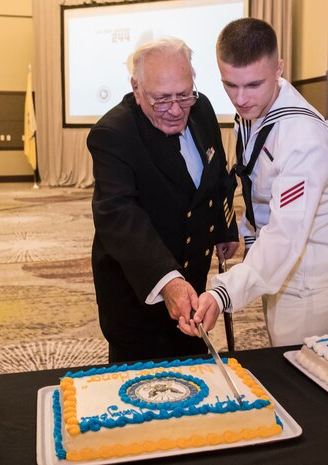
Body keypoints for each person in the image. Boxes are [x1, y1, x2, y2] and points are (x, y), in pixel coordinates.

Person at [183, 18, 328, 346]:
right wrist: (240, 230)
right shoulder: (255, 113)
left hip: (305, 278)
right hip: (270, 261)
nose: (240, 99)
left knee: (298, 372)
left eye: (253, 84)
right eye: (230, 84)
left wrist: (223, 291)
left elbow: (286, 237)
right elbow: (258, 186)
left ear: (279, 69)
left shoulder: (303, 138)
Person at [87, 38, 239, 363]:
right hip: (139, 292)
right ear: (136, 88)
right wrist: (168, 281)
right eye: (161, 99)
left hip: (193, 283)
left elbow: (218, 172)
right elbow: (120, 216)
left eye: (184, 94)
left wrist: (225, 228)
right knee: (138, 391)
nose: (175, 109)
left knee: (195, 377)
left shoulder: (202, 109)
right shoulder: (114, 134)